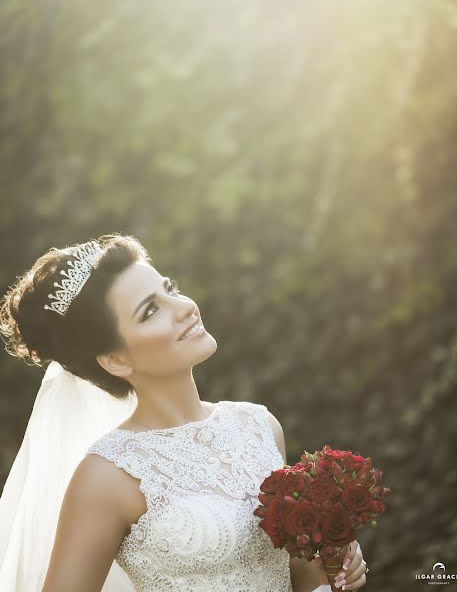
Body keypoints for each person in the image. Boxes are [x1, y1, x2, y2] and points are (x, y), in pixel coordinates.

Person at [0, 233, 368, 591]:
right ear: (116, 359)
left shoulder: (259, 426)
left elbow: (293, 573)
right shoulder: (107, 475)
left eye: (170, 289)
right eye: (151, 311)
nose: (185, 307)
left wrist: (331, 568)